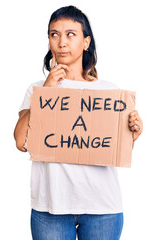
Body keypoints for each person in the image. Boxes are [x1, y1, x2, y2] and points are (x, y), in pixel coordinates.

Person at [13, 5, 143, 240]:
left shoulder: (110, 92)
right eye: (54, 34)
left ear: (85, 42)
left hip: (102, 208)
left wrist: (133, 132)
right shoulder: (36, 89)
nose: (62, 42)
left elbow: (111, 148)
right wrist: (46, 92)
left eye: (70, 34)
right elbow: (21, 142)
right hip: (50, 207)